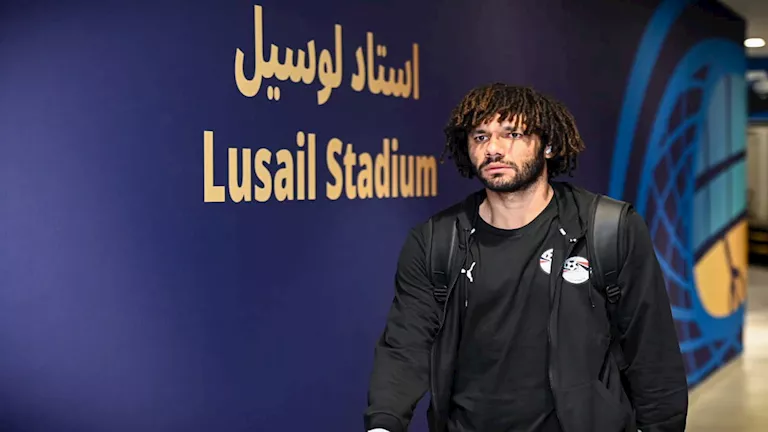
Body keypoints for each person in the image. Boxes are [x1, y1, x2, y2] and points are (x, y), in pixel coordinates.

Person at [363, 83, 688, 432]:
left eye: (512, 134)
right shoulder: (436, 241)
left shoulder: (608, 229)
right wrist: (384, 423)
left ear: (547, 145)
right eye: (480, 137)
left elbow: (651, 349)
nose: (493, 148)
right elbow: (406, 344)